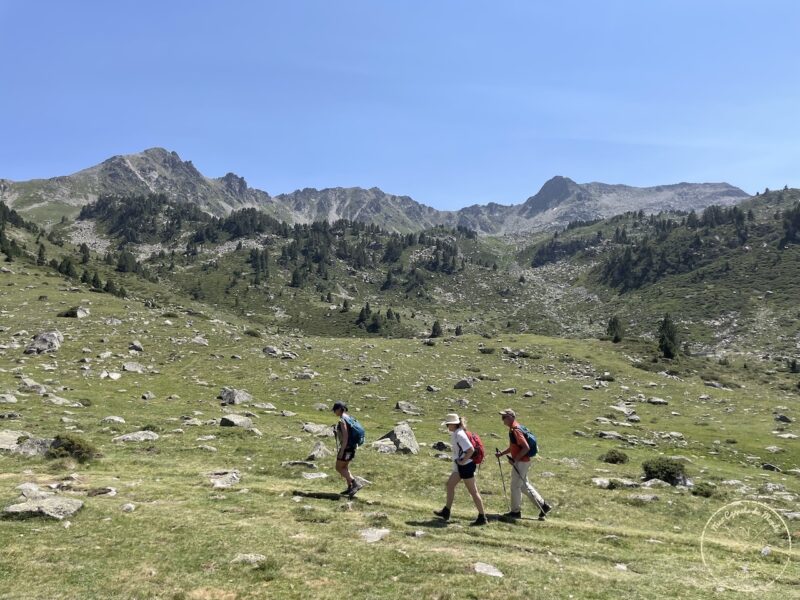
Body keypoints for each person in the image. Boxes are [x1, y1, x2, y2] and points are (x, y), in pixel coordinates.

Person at [495, 408, 551, 520]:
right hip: (524, 462)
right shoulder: (515, 429)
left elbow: (526, 447)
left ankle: (515, 512)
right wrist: (502, 453)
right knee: (524, 486)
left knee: (515, 486)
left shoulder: (515, 430)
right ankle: (543, 505)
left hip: (521, 462)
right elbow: (514, 447)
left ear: (511, 417)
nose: (503, 420)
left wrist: (515, 460)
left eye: (504, 417)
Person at [433, 413, 487, 526]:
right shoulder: (456, 433)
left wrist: (462, 461)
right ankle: (446, 511)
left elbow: (470, 450)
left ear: (454, 424)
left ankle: (482, 517)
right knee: (449, 485)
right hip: (461, 466)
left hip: (466, 466)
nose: (447, 426)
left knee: (473, 492)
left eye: (448, 424)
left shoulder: (460, 434)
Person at [332, 401, 363, 497]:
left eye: (335, 410)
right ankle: (350, 487)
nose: (334, 412)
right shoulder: (350, 418)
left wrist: (342, 451)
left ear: (339, 409)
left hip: (346, 447)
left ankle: (355, 483)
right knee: (344, 467)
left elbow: (345, 437)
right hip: (352, 447)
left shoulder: (342, 420)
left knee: (338, 467)